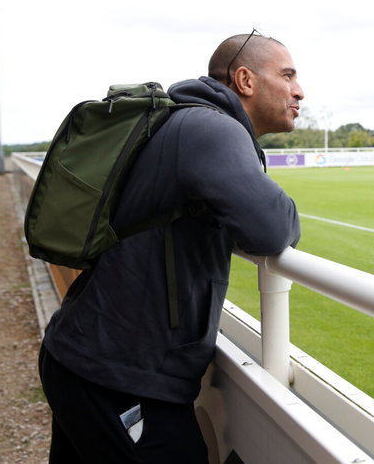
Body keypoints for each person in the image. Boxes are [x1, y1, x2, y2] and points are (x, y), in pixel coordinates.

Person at [38, 30, 304, 463]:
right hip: (119, 378)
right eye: (288, 75)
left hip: (85, 359)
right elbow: (273, 228)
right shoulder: (210, 129)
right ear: (245, 79)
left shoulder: (184, 121)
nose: (299, 90)